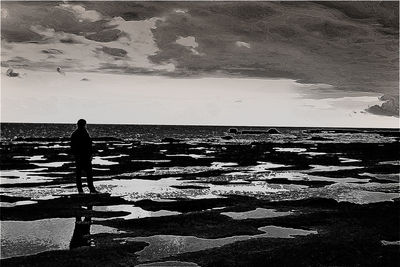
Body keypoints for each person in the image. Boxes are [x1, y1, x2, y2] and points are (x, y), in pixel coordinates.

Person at [70, 119, 98, 193]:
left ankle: (82, 189)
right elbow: (88, 145)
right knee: (87, 173)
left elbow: (73, 146)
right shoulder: (83, 133)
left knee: (81, 174)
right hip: (83, 156)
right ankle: (89, 189)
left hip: (81, 156)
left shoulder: (76, 133)